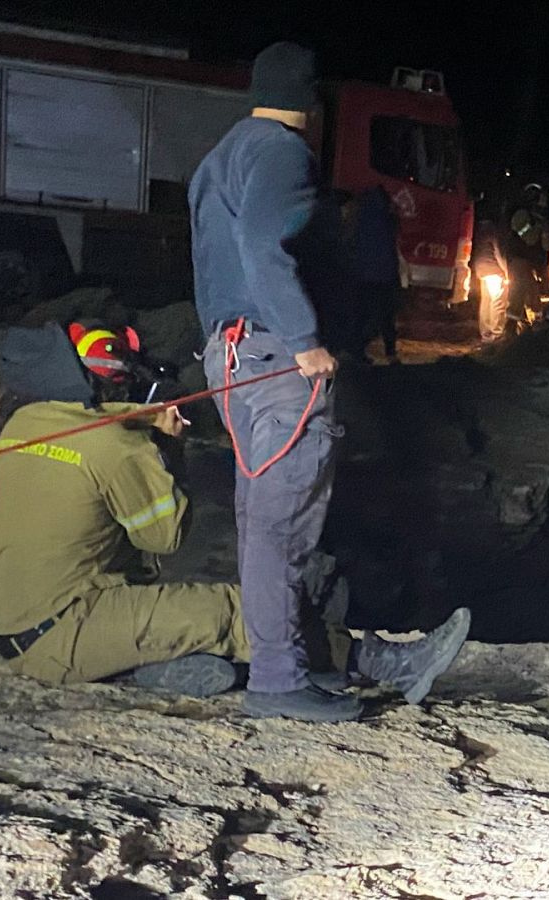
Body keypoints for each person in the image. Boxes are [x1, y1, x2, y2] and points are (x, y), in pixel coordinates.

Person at [0, 324, 471, 708]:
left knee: (174, 608)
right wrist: (167, 448)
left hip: (18, 628)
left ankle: (152, 668)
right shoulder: (115, 446)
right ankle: (384, 663)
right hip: (67, 630)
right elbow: (164, 538)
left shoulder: (22, 426)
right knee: (241, 609)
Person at [188, 41, 361, 721]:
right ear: (313, 104)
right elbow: (264, 244)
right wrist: (304, 340)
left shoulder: (221, 153)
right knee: (281, 522)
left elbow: (216, 258)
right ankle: (278, 680)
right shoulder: (282, 152)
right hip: (274, 357)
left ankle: (285, 664)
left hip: (232, 355)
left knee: (258, 518)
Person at [351, 186, 402, 361]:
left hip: (365, 276)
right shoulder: (388, 220)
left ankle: (358, 351)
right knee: (387, 317)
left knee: (365, 316)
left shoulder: (359, 219)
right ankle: (391, 353)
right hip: (385, 276)